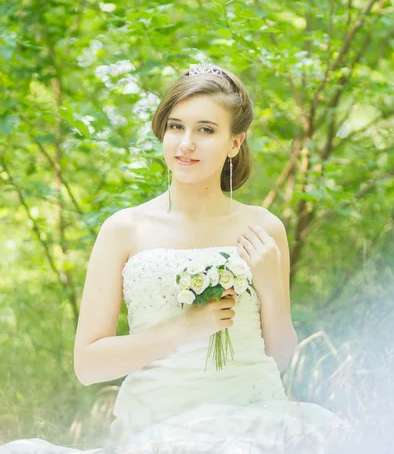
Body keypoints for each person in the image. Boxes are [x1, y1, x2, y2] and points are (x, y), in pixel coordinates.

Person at [1, 62, 355, 454]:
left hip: (255, 421)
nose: (186, 143)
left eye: (205, 130)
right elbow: (88, 366)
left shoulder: (264, 228)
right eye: (175, 126)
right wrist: (185, 329)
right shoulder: (124, 229)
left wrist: (270, 285)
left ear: (235, 143)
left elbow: (282, 356)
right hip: (158, 428)